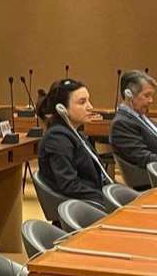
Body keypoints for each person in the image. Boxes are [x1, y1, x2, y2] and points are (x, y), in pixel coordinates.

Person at [37, 79, 110, 208]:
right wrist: (107, 199)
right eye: (82, 102)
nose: (90, 107)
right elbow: (69, 185)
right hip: (83, 208)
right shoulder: (57, 138)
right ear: (62, 109)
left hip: (94, 200)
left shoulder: (75, 134)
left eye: (88, 100)